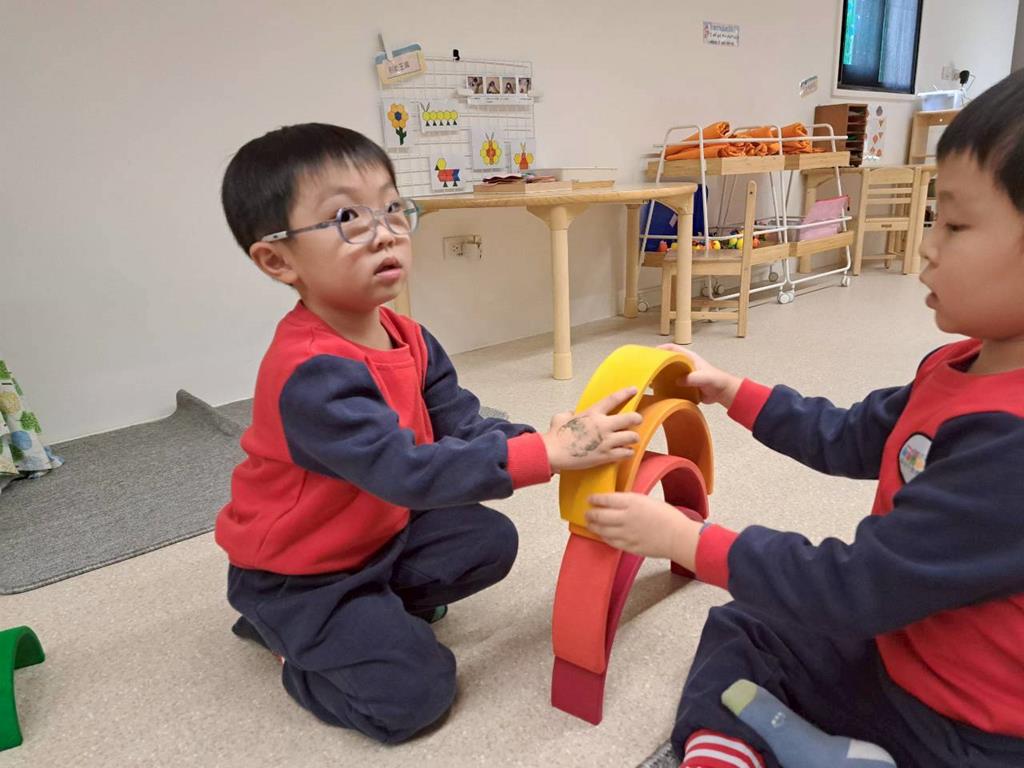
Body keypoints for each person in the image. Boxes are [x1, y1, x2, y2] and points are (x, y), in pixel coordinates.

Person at [587, 69, 1024, 768]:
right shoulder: (958, 366)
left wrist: (689, 539)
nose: (927, 244)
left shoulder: (1010, 447)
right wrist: (736, 392)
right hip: (900, 651)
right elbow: (851, 434)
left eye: (956, 224)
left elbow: (855, 587)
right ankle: (735, 750)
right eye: (933, 217)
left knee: (774, 597)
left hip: (967, 736)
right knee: (747, 623)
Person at [215, 123, 642, 744]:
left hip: (377, 533)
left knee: (488, 540)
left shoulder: (409, 336)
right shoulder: (311, 373)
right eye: (348, 217)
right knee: (414, 696)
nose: (385, 232)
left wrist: (543, 438)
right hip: (301, 573)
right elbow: (408, 473)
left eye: (392, 208)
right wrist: (543, 457)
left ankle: (370, 615)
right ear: (278, 260)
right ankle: (289, 642)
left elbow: (462, 426)